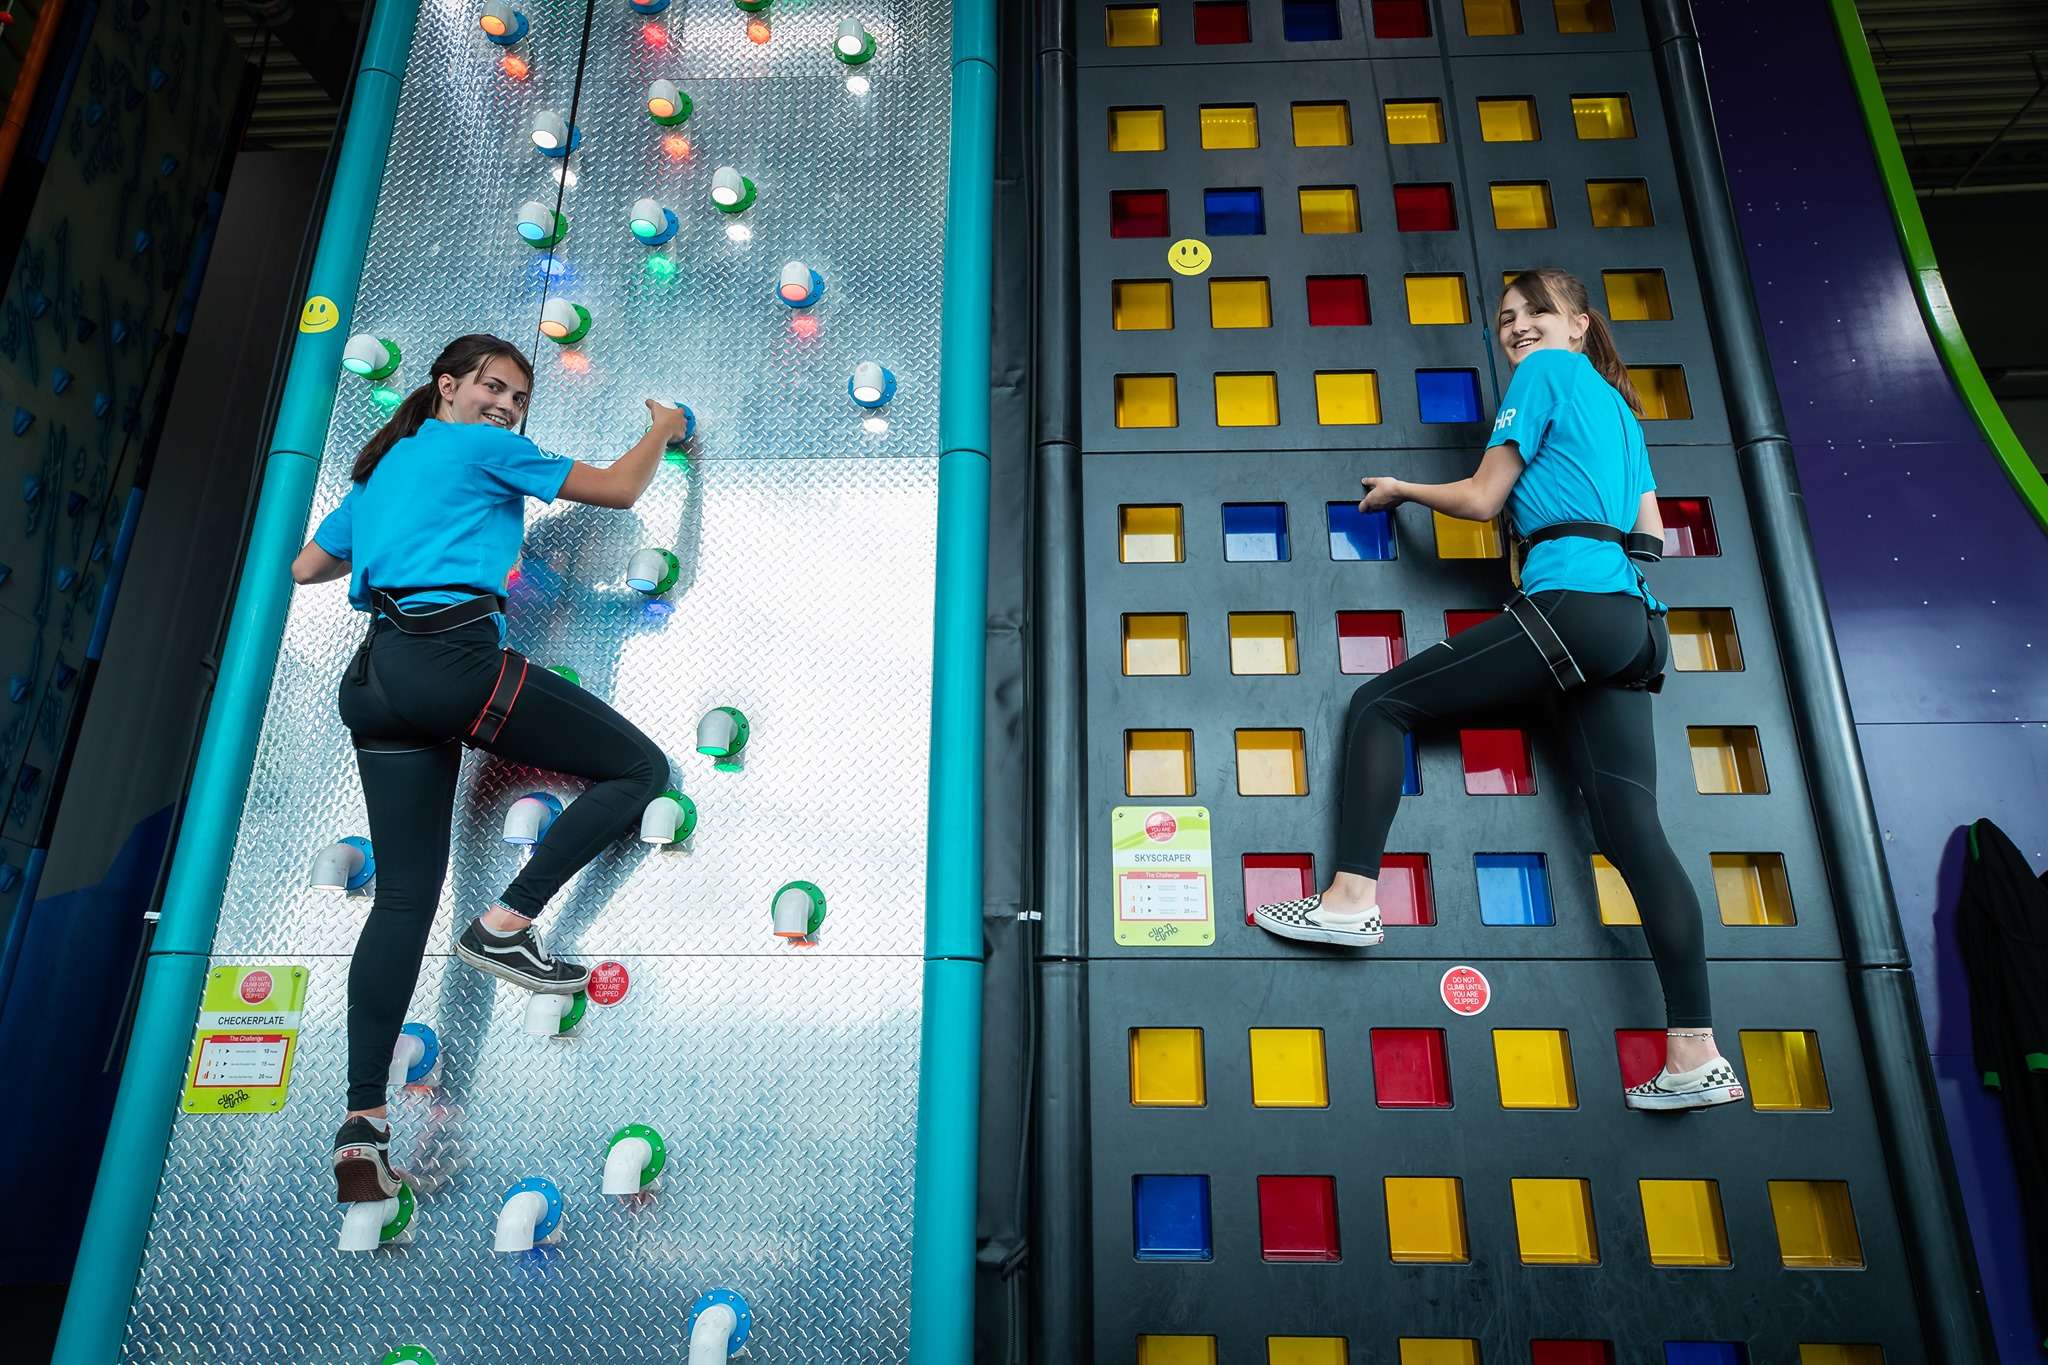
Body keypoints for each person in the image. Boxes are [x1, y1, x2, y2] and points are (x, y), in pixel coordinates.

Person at [1250, 269, 1743, 1112]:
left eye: (1534, 313)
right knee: (1634, 832)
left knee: (1380, 704)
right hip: (1636, 622)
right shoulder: (1623, 410)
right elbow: (1652, 532)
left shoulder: (1546, 375)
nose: (1516, 328)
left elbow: (1483, 500)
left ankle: (1350, 899)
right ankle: (1695, 1050)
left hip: (1576, 604)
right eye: (1507, 319)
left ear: (1578, 324)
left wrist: (1404, 489)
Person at [290, 333, 695, 1201]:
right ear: (448, 385)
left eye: (518, 399)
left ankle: (363, 1121)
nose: (508, 407)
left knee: (403, 897)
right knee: (640, 768)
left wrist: (397, 530)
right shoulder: (481, 448)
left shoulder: (384, 465)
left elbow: (307, 566)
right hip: (452, 663)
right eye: (495, 387)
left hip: (376, 680)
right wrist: (662, 428)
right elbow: (620, 491)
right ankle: (507, 925)